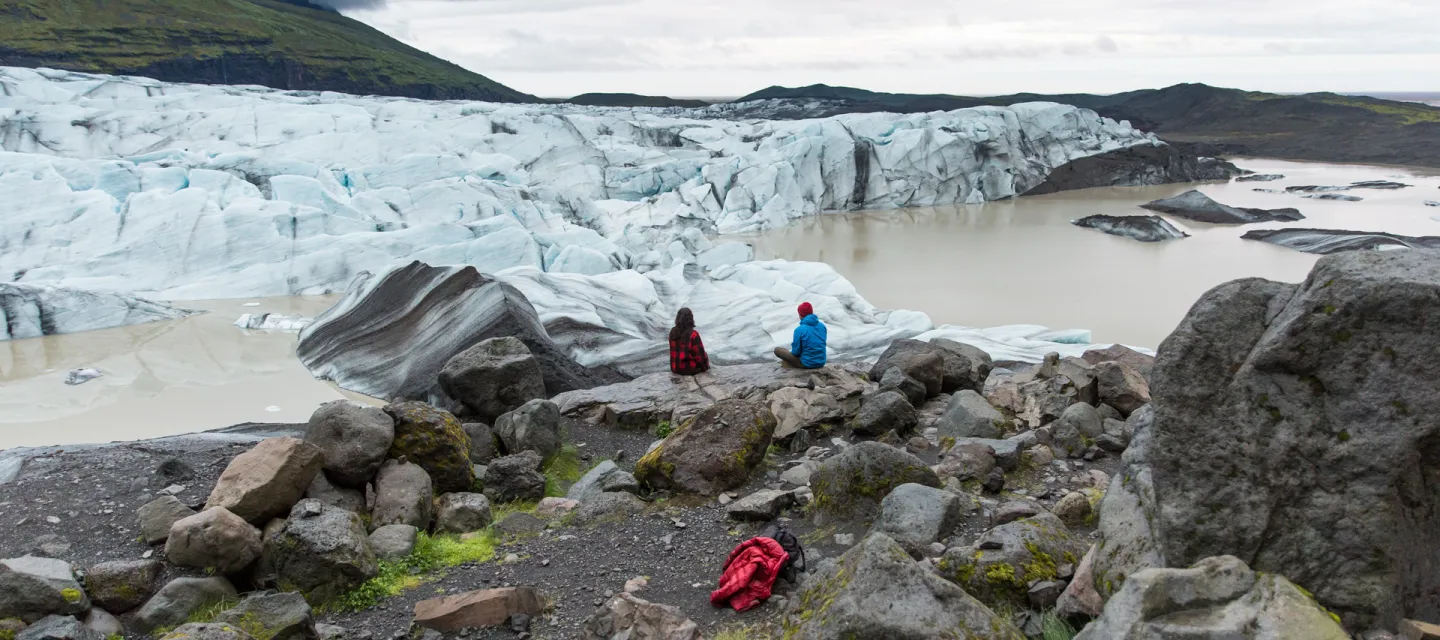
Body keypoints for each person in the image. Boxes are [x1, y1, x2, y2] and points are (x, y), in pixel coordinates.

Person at [775, 302, 826, 368]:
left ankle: (788, 365)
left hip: (807, 364)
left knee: (777, 350)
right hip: (821, 362)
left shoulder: (799, 330)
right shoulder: (822, 326)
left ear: (801, 314)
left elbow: (796, 352)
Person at [668, 307, 710, 375]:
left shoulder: (672, 332)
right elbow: (699, 356)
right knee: (704, 355)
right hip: (688, 369)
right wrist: (706, 367)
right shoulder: (693, 334)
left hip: (675, 368)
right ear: (690, 319)